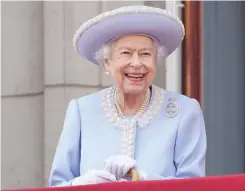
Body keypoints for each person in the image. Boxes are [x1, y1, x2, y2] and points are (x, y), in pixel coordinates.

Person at [49, 5, 207, 187]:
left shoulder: (185, 112)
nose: (137, 63)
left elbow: (194, 185)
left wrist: (146, 181)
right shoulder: (82, 111)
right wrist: (81, 184)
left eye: (145, 54)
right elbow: (57, 185)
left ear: (156, 60)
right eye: (126, 53)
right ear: (107, 62)